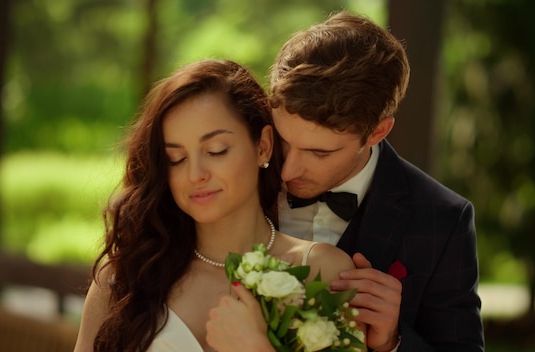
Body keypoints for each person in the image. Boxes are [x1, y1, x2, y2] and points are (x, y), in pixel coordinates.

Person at [73, 59, 356, 352]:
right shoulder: (125, 279)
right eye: (176, 159)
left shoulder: (321, 271)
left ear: (263, 146)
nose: (195, 175)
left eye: (215, 151)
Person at [269, 10, 484, 352]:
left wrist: (393, 341)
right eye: (283, 140)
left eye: (319, 153)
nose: (285, 171)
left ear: (377, 131)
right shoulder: (238, 181)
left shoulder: (443, 220)